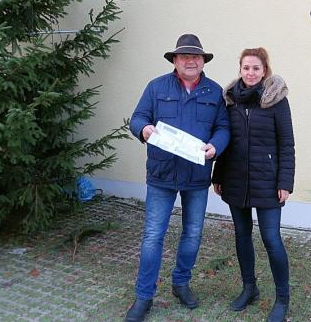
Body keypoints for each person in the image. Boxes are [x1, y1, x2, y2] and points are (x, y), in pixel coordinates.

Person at [124, 34, 230, 322]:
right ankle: (144, 297)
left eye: (196, 57)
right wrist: (143, 129)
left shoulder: (214, 92)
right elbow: (137, 118)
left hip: (196, 176)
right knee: (152, 237)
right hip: (162, 174)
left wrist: (216, 146)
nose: (191, 61)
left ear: (203, 61)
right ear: (175, 60)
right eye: (185, 56)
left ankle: (180, 283)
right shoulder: (156, 87)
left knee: (193, 234)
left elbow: (223, 128)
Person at [212, 47, 295, 322]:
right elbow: (225, 140)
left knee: (271, 238)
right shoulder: (231, 101)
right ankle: (250, 288)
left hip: (268, 183)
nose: (250, 73)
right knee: (241, 236)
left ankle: (282, 299)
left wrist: (285, 182)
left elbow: (287, 144)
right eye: (246, 68)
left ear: (265, 70)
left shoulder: (276, 101)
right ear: (240, 69)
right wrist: (218, 176)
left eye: (256, 68)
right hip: (235, 180)